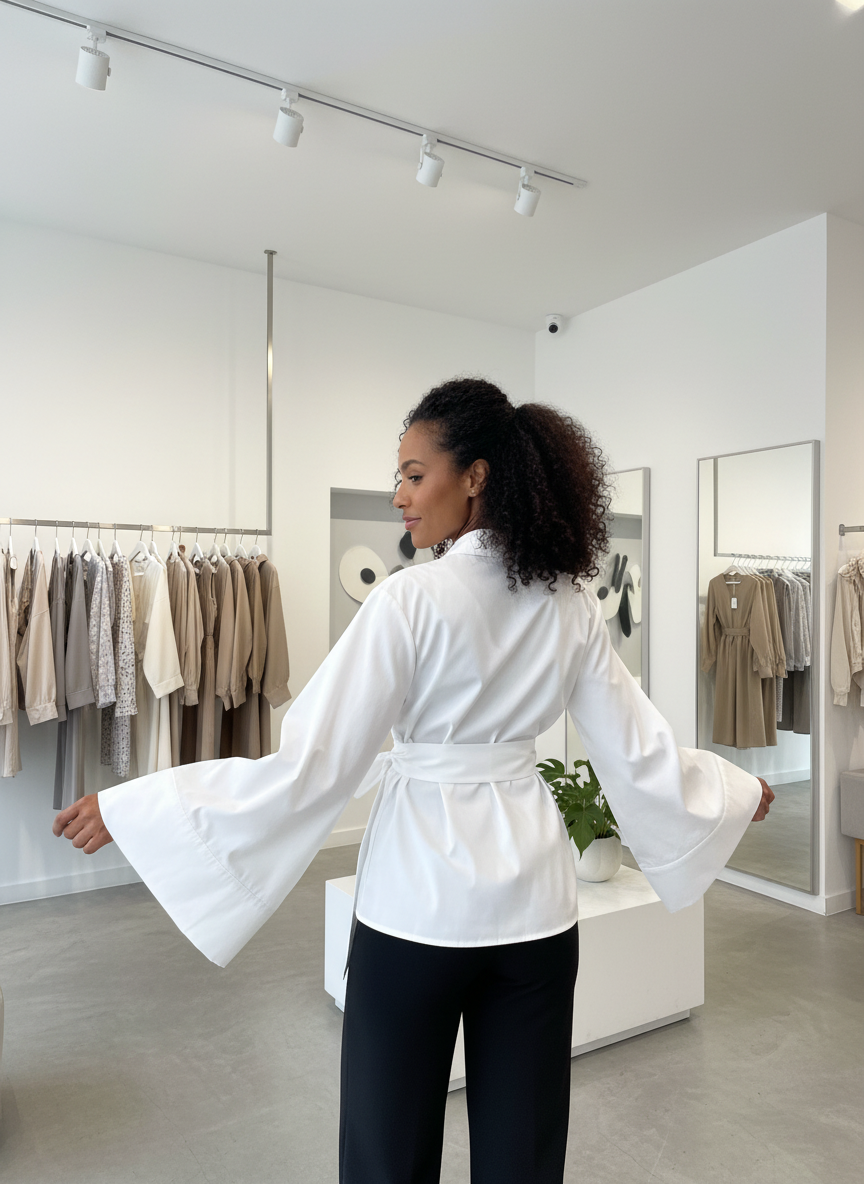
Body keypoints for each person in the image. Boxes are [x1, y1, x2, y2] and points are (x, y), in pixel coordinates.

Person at [54, 377, 773, 1184]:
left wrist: (140, 811)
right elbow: (636, 749)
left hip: (416, 910)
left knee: (387, 1152)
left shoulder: (409, 602)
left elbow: (312, 764)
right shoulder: (568, 604)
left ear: (476, 477)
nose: (398, 495)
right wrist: (731, 792)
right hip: (536, 911)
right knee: (525, 1154)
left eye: (413, 474)